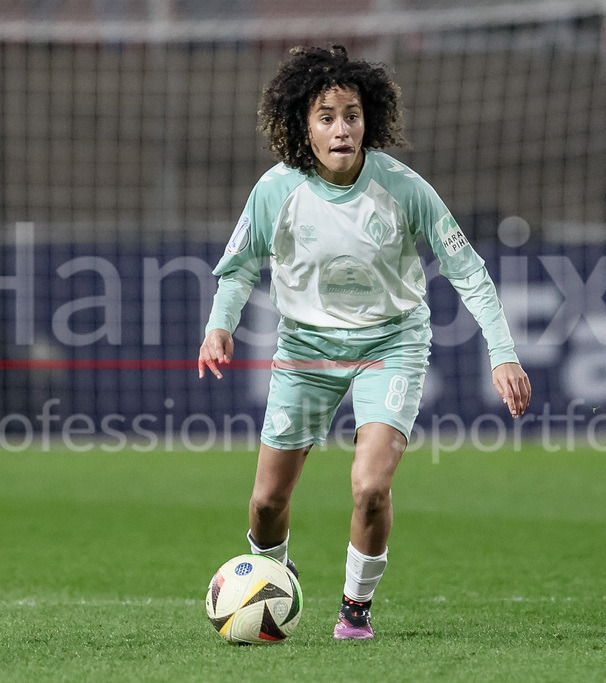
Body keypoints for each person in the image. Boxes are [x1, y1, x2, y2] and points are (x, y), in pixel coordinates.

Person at [198, 44, 530, 640]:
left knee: (371, 485)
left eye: (351, 114)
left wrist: (501, 351)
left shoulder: (403, 188)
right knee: (266, 503)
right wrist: (219, 325)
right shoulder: (276, 189)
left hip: (392, 343)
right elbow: (240, 265)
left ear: (367, 120)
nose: (342, 128)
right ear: (302, 125)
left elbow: (468, 271)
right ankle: (272, 571)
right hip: (305, 347)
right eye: (326, 116)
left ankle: (355, 611)